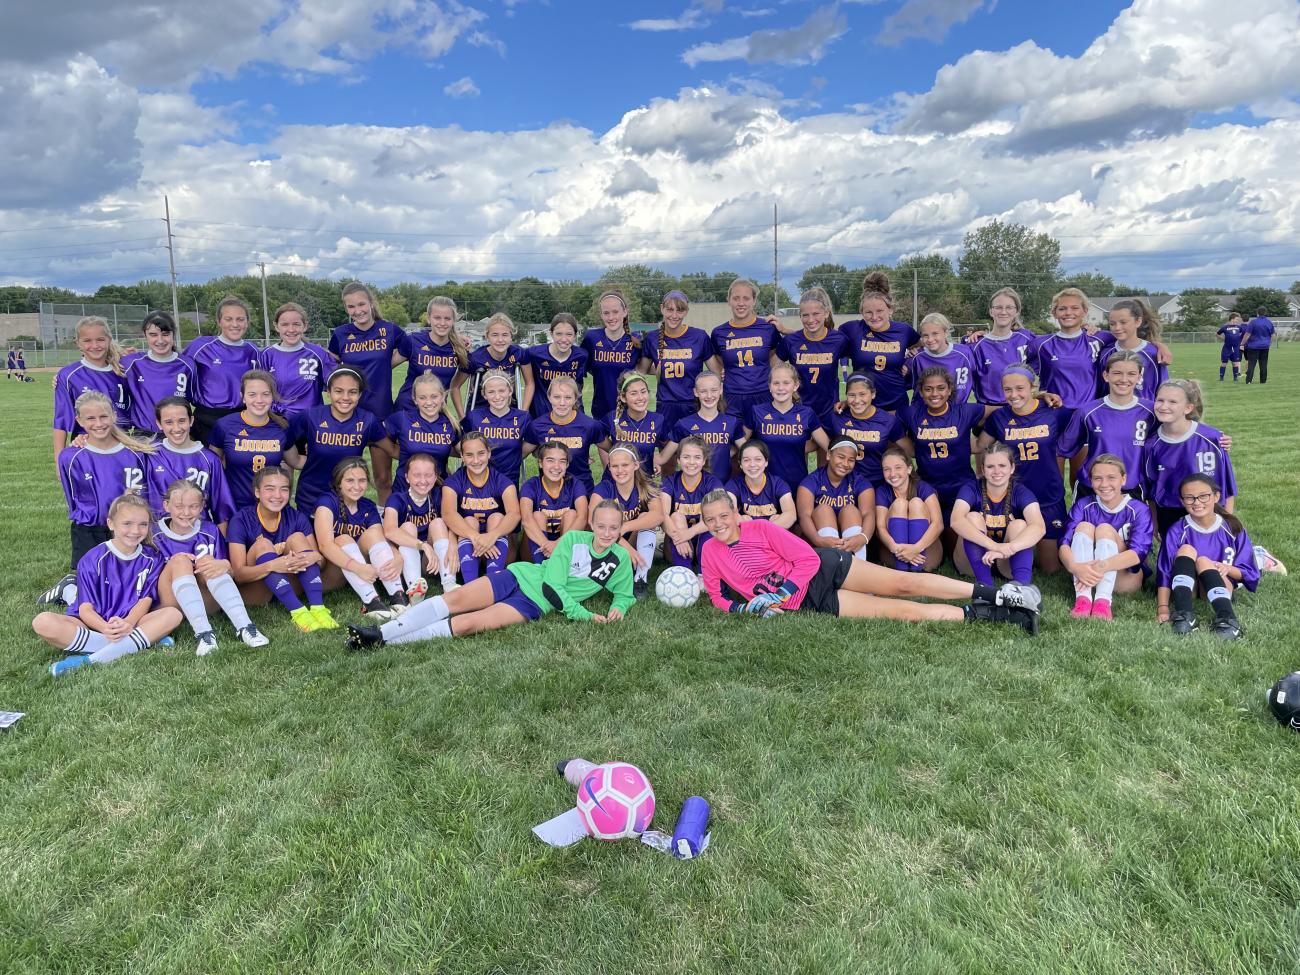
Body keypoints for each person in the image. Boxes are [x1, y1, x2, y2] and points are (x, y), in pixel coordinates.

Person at [698, 490, 1040, 632]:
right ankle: (1001, 616)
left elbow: (805, 558)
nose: (718, 525)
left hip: (825, 567)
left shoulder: (759, 527)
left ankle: (1001, 594)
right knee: (901, 612)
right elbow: (716, 596)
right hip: (813, 601)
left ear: (735, 513)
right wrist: (746, 609)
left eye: (723, 516)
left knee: (904, 584)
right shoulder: (710, 552)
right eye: (710, 520)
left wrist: (779, 593)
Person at [345, 501, 635, 650]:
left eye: (614, 528)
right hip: (521, 577)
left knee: (467, 624)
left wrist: (618, 608)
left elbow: (625, 593)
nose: (607, 534)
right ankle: (380, 632)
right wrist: (585, 615)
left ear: (620, 528)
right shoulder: (573, 541)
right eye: (601, 526)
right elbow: (552, 588)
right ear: (593, 525)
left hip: (532, 604)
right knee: (455, 597)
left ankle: (382, 642)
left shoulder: (620, 559)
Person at [38, 494, 183, 677]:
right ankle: (143, 641)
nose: (135, 530)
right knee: (43, 622)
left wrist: (129, 624)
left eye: (143, 524)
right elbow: (85, 609)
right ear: (111, 524)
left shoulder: (153, 558)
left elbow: (145, 599)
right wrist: (106, 628)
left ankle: (87, 661)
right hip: (92, 624)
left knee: (173, 614)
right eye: (127, 523)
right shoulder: (91, 559)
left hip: (132, 622)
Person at [41, 391, 156, 608]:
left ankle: (74, 586)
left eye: (103, 416)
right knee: (97, 601)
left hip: (130, 530)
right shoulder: (71, 456)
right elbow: (73, 500)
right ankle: (71, 588)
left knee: (128, 592)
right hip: (90, 530)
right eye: (90, 419)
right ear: (79, 421)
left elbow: (148, 493)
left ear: (113, 415)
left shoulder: (138, 452)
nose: (98, 423)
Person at [152, 479, 269, 654]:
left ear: (202, 507)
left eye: (193, 506)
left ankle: (245, 627)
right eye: (179, 506)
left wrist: (224, 563)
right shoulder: (153, 533)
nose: (186, 512)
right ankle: (203, 634)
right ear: (166, 506)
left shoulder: (210, 530)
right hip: (169, 604)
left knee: (207, 560)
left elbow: (229, 571)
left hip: (206, 601)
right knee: (180, 561)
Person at [979, 365, 1069, 572]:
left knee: (1051, 569)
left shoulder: (1054, 412)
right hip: (1015, 496)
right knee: (1011, 562)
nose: (1013, 395)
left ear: (1033, 387)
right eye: (1007, 389)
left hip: (1048, 495)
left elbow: (1082, 426)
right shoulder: (999, 417)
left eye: (1020, 388)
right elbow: (979, 446)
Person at [226, 467, 335, 632]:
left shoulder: (296, 517)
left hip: (290, 582)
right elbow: (239, 575)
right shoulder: (241, 520)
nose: (277, 495)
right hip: (256, 590)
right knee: (263, 544)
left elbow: (320, 563)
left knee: (297, 537)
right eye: (270, 489)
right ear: (257, 492)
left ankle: (318, 609)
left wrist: (316, 557)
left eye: (284, 489)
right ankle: (298, 613)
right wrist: (273, 565)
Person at [1156, 474, 1257, 639]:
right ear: (1182, 501)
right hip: (1187, 587)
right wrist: (1163, 607)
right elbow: (1165, 571)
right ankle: (1184, 614)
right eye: (1189, 498)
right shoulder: (1177, 529)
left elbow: (1249, 573)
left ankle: (1228, 619)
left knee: (1204, 561)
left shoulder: (1232, 527)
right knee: (1187, 549)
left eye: (1203, 496)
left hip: (1219, 585)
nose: (1197, 502)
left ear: (1216, 496)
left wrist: (1228, 568)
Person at [329, 282, 406, 496]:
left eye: (362, 304)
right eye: (351, 307)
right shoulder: (340, 334)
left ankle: (385, 525)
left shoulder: (389, 330)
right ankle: (341, 522)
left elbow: (412, 349)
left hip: (380, 413)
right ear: (346, 309)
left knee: (382, 479)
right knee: (342, 476)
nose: (358, 310)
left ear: (371, 303)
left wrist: (384, 365)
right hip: (348, 414)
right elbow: (332, 367)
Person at [1059, 454, 1153, 620]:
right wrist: (1074, 567)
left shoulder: (1138, 509)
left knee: (1104, 529)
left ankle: (1103, 602)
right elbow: (1064, 543)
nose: (1104, 484)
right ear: (1090, 481)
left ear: (1123, 479)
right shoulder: (1084, 504)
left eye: (1111, 478)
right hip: (1087, 573)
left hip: (1124, 577)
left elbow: (1138, 553)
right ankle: (1083, 599)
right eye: (1097, 478)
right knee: (1084, 527)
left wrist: (1101, 566)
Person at [313, 458, 407, 617]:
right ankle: (372, 602)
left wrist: (398, 556)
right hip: (333, 569)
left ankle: (398, 596)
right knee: (343, 539)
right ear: (339, 482)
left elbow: (379, 537)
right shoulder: (327, 502)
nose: (356, 486)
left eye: (362, 480)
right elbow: (325, 546)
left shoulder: (367, 506)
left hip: (361, 568)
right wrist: (358, 568)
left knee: (373, 533)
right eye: (350, 480)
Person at [1142, 379, 1236, 539]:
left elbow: (1227, 486)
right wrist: (1156, 521)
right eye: (1160, 400)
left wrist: (1228, 519)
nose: (1164, 406)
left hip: (1208, 511)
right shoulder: (1151, 444)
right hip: (1169, 515)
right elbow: (1151, 491)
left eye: (1172, 402)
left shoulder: (1212, 439)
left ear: (1188, 408)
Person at [1056, 351, 1156, 501]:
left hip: (1130, 489)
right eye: (1117, 373)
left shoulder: (1151, 412)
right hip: (1091, 489)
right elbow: (1063, 449)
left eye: (1131, 374)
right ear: (1106, 375)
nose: (1124, 379)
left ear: (1139, 377)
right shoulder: (1087, 411)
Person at [287, 367, 391, 512]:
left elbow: (392, 450)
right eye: (338, 391)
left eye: (353, 392)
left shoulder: (368, 420)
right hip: (311, 500)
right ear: (328, 392)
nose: (345, 397)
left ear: (360, 394)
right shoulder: (311, 416)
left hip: (348, 501)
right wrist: (296, 460)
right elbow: (283, 439)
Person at [950, 442, 1044, 586]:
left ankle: (1022, 587)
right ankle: (985, 585)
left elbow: (1039, 527)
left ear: (1012, 468)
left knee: (1020, 525)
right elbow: (956, 521)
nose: (996, 471)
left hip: (1005, 560)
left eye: (1002, 466)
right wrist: (994, 546)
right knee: (972, 517)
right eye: (990, 466)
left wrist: (1005, 549)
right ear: (982, 469)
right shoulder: (971, 488)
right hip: (972, 562)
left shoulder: (1021, 492)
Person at [900, 366, 985, 522]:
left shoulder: (964, 411)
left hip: (961, 484)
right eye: (928, 389)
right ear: (920, 391)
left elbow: (1000, 411)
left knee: (958, 533)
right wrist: (849, 403)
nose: (935, 394)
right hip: (927, 484)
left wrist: (1037, 400)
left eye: (941, 388)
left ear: (949, 389)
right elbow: (881, 416)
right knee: (930, 532)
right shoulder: (911, 413)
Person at [208, 370, 300, 512]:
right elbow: (213, 466)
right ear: (243, 397)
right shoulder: (225, 425)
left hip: (271, 506)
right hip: (234, 506)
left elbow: (296, 461)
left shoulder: (282, 426)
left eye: (265, 394)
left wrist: (327, 453)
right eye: (252, 394)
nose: (259, 400)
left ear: (272, 397)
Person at [145, 397, 236, 529]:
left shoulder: (210, 459)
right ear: (159, 424)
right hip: (159, 536)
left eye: (182, 421)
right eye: (168, 422)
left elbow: (221, 510)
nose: (176, 428)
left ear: (191, 420)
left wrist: (222, 548)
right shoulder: (149, 454)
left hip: (199, 537)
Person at [441, 431, 520, 582]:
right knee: (469, 520)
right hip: (469, 547)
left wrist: (492, 536)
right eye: (469, 455)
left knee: (497, 517)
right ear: (462, 457)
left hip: (498, 547)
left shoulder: (503, 481)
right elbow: (448, 514)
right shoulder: (453, 482)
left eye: (481, 453)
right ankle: (471, 583)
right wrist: (477, 538)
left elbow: (514, 514)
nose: (476, 460)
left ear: (489, 453)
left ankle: (493, 580)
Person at [637, 291, 717, 439]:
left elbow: (716, 372)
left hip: (694, 406)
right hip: (666, 406)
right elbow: (640, 372)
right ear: (662, 308)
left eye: (679, 310)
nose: (674, 315)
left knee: (696, 458)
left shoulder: (699, 336)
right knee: (668, 459)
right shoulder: (652, 338)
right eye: (670, 309)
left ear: (686, 311)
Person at [182, 296, 260, 443]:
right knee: (210, 463)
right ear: (219, 321)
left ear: (247, 322)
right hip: (207, 418)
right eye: (228, 319)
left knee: (236, 464)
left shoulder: (253, 351)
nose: (235, 324)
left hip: (241, 418)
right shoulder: (201, 346)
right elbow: (175, 363)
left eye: (240, 319)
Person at [838, 272, 919, 414]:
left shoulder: (904, 331)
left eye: (880, 311)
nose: (874, 317)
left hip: (896, 405)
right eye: (868, 312)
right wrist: (786, 331)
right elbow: (825, 340)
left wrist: (910, 360)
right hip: (863, 406)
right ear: (861, 312)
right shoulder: (851, 329)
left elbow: (928, 344)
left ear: (890, 310)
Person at [52, 316, 132, 457]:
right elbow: (61, 422)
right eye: (87, 341)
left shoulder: (124, 371)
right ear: (78, 343)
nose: (95, 346)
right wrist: (59, 460)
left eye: (100, 340)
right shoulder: (69, 376)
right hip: (85, 448)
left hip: (123, 447)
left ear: (109, 340)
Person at [742, 363, 828, 491]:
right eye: (776, 383)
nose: (780, 388)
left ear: (795, 385)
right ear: (769, 386)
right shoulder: (757, 412)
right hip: (763, 484)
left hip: (796, 483)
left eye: (786, 383)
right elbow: (741, 443)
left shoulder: (806, 413)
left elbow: (827, 445)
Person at [591, 444, 662, 597]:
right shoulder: (604, 489)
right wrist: (623, 544)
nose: (620, 470)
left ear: (635, 465)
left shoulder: (644, 486)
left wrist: (626, 527)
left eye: (625, 465)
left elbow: (658, 515)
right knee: (605, 526)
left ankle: (640, 578)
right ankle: (615, 573)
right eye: (615, 466)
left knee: (646, 518)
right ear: (609, 467)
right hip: (608, 544)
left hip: (630, 540)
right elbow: (592, 521)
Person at [383, 453, 458, 597]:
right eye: (416, 475)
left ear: (436, 477)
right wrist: (423, 545)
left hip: (433, 561)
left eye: (428, 475)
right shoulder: (396, 498)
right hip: (407, 560)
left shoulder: (439, 495)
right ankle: (415, 587)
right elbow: (389, 531)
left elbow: (452, 523)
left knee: (438, 522)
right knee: (408, 527)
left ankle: (449, 582)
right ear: (407, 477)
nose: (423, 480)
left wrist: (453, 546)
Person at [777, 287, 849, 429]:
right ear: (800, 316)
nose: (810, 320)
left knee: (826, 449)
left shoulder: (839, 339)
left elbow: (862, 362)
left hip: (829, 409)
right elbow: (773, 369)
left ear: (826, 313)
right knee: (799, 449)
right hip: (798, 408)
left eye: (816, 314)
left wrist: (907, 358)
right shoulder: (791, 341)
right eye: (805, 315)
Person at [711, 278, 781, 419]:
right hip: (733, 398)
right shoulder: (719, 332)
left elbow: (773, 356)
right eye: (736, 298)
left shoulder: (767, 328)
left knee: (764, 440)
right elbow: (719, 361)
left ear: (754, 301)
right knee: (735, 439)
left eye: (746, 298)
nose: (741, 303)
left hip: (764, 395)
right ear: (729, 300)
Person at [825, 372, 909, 488]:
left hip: (878, 484)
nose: (857, 400)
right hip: (845, 485)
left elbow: (908, 451)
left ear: (873, 394)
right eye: (851, 395)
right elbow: (823, 446)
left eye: (862, 394)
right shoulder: (836, 417)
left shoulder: (888, 420)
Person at [796, 438, 875, 560]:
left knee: (850, 510)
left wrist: (863, 537)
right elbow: (804, 516)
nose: (845, 463)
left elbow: (869, 514)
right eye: (841, 457)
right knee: (823, 509)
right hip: (820, 537)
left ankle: (859, 564)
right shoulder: (811, 481)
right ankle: (831, 564)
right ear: (828, 455)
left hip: (850, 536)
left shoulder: (860, 482)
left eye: (851, 460)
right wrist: (818, 540)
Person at [522, 377, 603, 492]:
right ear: (549, 397)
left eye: (568, 397)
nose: (562, 403)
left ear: (576, 398)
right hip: (548, 492)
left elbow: (612, 449)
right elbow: (518, 456)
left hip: (582, 490)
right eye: (557, 397)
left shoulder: (589, 425)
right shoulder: (537, 426)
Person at [257, 302, 337, 417]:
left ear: (305, 326)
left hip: (310, 420)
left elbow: (337, 382)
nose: (291, 329)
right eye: (284, 324)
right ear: (276, 326)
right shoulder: (266, 355)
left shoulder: (317, 354)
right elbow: (258, 390)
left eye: (296, 324)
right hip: (276, 420)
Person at [122, 311, 196, 434]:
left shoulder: (188, 365)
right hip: (143, 436)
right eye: (153, 335)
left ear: (174, 334)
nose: (160, 340)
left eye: (165, 334)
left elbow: (192, 399)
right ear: (145, 336)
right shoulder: (131, 363)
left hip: (177, 435)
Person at [659, 370, 741, 480]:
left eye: (714, 390)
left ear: (721, 389)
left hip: (723, 487)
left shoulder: (732, 422)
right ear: (696, 392)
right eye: (703, 391)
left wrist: (727, 454)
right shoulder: (684, 424)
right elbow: (663, 458)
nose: (709, 395)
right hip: (694, 487)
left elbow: (746, 449)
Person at [660, 436, 725, 573]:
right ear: (678, 460)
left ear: (704, 461)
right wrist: (680, 539)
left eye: (697, 457)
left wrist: (688, 534)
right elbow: (663, 515)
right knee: (676, 516)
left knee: (710, 517)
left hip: (705, 540)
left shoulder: (712, 482)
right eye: (686, 457)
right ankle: (685, 572)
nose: (691, 462)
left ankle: (704, 572)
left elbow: (718, 518)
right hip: (677, 544)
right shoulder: (670, 482)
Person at [395, 296, 470, 415]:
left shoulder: (459, 348)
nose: (442, 323)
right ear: (429, 318)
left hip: (436, 414)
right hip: (406, 411)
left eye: (447, 318)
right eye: (437, 318)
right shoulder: (413, 341)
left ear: (453, 320)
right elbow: (384, 365)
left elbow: (460, 383)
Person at [385, 372, 460, 486]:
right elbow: (378, 438)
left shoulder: (450, 424)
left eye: (434, 396)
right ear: (414, 399)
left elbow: (467, 453)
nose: (429, 402)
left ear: (443, 397)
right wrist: (397, 452)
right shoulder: (402, 418)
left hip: (437, 490)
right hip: (404, 491)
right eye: (422, 398)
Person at [875, 446, 943, 572]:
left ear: (909, 468)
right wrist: (897, 549)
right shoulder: (882, 491)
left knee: (916, 503)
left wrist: (915, 549)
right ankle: (902, 568)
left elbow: (938, 524)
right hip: (894, 551)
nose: (892, 474)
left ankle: (916, 569)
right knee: (900, 504)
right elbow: (880, 528)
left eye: (898, 467)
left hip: (924, 549)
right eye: (887, 469)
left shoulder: (923, 488)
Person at [967, 288, 1036, 411]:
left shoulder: (1026, 339)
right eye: (998, 307)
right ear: (991, 311)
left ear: (1016, 312)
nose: (1003, 312)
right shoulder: (975, 345)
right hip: (989, 413)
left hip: (1021, 411)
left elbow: (1055, 347)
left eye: (1009, 307)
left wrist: (1082, 331)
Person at [519, 442, 588, 563]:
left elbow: (582, 518)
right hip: (535, 546)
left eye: (562, 461)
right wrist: (547, 545)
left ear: (567, 464)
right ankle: (541, 566)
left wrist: (557, 544)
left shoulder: (575, 484)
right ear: (540, 463)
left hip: (563, 545)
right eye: (550, 460)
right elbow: (526, 520)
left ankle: (564, 563)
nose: (556, 466)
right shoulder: (531, 485)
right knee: (537, 515)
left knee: (572, 514)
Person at [583, 288, 642, 420]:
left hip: (630, 412)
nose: (611, 317)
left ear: (625, 312)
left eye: (615, 312)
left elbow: (644, 369)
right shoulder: (592, 338)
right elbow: (583, 368)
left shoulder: (636, 340)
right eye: (606, 313)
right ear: (601, 315)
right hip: (600, 410)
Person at [462, 369, 529, 483]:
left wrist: (515, 457)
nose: (497, 396)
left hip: (509, 480)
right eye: (491, 392)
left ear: (510, 391)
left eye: (501, 391)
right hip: (478, 479)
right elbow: (464, 445)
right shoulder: (474, 417)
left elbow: (528, 446)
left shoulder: (523, 417)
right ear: (484, 394)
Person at [453, 312, 528, 415]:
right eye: (495, 335)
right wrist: (462, 418)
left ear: (511, 337)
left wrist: (523, 413)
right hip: (479, 412)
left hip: (509, 412)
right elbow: (455, 386)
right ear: (487, 337)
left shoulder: (519, 353)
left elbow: (530, 383)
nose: (500, 340)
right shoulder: (475, 358)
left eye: (505, 335)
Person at [1097, 298, 1168, 402]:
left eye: (1123, 322)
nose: (1117, 328)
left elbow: (1163, 389)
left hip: (1145, 415)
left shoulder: (1154, 354)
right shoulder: (1106, 352)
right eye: (1112, 324)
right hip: (1112, 414)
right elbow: (1100, 389)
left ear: (1138, 321)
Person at [599, 372, 665, 476]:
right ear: (623, 397)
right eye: (633, 393)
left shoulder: (658, 420)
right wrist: (613, 449)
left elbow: (673, 441)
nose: (640, 397)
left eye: (643, 392)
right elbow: (595, 434)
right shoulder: (613, 418)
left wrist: (659, 459)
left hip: (644, 481)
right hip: (617, 480)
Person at [523, 313, 588, 418]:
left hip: (571, 416)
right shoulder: (534, 354)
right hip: (541, 416)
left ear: (575, 335)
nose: (563, 339)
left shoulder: (582, 356)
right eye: (559, 334)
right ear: (551, 333)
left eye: (569, 334)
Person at [726, 440, 796, 528]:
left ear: (766, 462)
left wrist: (763, 530)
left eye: (758, 459)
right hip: (746, 535)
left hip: (772, 534)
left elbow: (791, 514)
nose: (752, 464)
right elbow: (729, 514)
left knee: (776, 517)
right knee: (744, 519)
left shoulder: (777, 484)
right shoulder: (734, 485)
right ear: (740, 464)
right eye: (746, 460)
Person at [910, 313, 977, 405]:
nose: (930, 339)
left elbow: (976, 379)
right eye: (925, 335)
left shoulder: (964, 353)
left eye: (935, 334)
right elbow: (916, 388)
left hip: (958, 413)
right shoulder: (918, 358)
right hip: (927, 414)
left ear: (946, 333)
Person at [1243, 306, 1275, 384]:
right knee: (1263, 364)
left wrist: (1242, 343)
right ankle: (1263, 381)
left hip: (1253, 346)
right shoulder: (1269, 322)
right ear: (1265, 313)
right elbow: (1273, 335)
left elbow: (1247, 334)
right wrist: (1269, 343)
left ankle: (1249, 381)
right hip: (1265, 346)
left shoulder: (1253, 322)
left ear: (1257, 313)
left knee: (1252, 364)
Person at [1216, 312, 1244, 382]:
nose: (1237, 321)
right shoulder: (1225, 327)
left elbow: (1242, 334)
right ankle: (1221, 378)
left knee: (1235, 363)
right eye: (1236, 319)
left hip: (1235, 348)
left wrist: (1239, 341)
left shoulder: (1239, 327)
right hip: (1227, 348)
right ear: (1232, 319)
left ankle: (1235, 378)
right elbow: (1217, 334)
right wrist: (1223, 339)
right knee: (1224, 363)